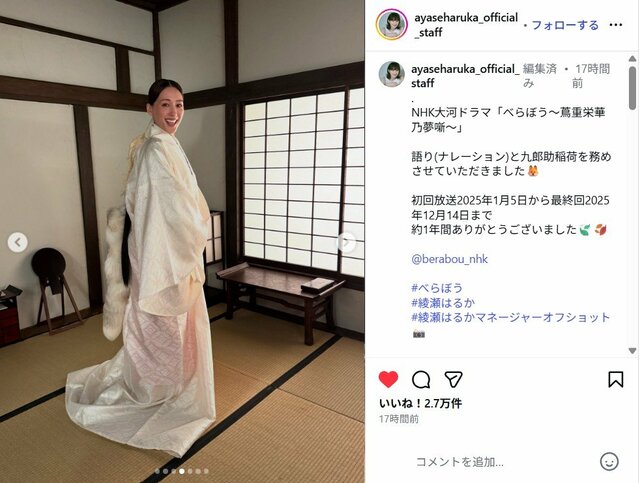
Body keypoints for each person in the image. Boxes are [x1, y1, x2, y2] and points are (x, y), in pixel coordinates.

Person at [65, 79, 215, 458]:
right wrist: (199, 226)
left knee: (165, 322)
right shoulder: (155, 150)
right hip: (158, 252)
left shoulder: (163, 144)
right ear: (149, 108)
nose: (173, 112)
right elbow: (169, 209)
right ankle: (157, 387)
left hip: (159, 248)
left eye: (179, 105)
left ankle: (169, 379)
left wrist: (193, 222)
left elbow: (178, 202)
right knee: (159, 320)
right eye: (165, 104)